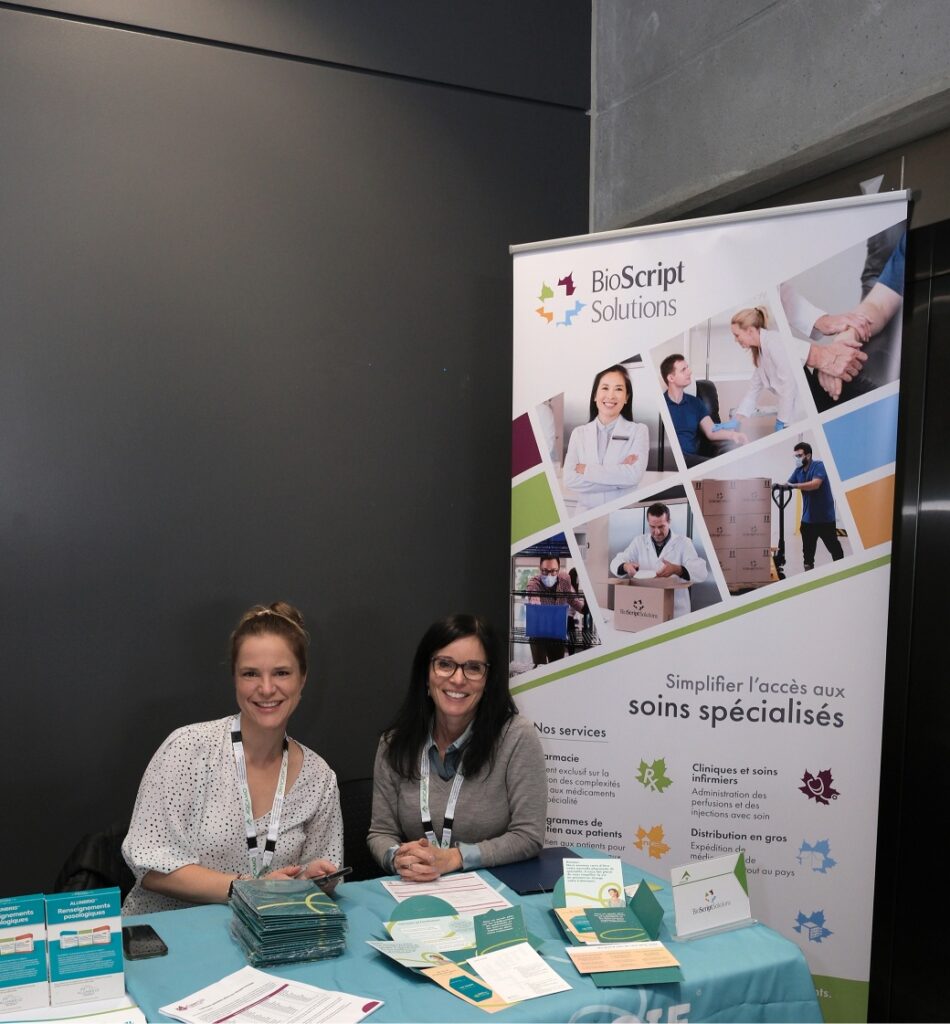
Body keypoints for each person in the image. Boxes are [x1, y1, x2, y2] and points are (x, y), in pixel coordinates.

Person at [121, 602, 343, 914]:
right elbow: (151, 867)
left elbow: (312, 879)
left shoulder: (319, 778)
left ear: (302, 679)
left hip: (262, 933)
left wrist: (309, 880)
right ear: (235, 679)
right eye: (251, 674)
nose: (266, 688)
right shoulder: (187, 749)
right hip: (167, 933)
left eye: (281, 673)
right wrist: (250, 887)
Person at [368, 614, 546, 881]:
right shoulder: (394, 744)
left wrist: (455, 858)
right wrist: (398, 858)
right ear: (426, 674)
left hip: (493, 893)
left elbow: (528, 835)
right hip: (417, 889)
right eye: (445, 664)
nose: (458, 679)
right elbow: (380, 833)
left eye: (473, 668)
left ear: (488, 679)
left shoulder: (517, 738)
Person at [563, 364, 649, 510]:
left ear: (626, 397)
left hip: (622, 514)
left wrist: (587, 470)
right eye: (605, 388)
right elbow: (570, 480)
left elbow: (634, 476)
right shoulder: (578, 433)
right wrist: (620, 478)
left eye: (618, 389)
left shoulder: (639, 431)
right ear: (595, 395)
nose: (611, 396)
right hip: (586, 514)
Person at [609, 502, 708, 618]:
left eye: (661, 527)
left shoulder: (683, 543)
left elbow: (701, 572)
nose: (657, 532)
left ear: (669, 522)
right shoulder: (639, 542)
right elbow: (616, 561)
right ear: (648, 523)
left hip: (676, 611)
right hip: (646, 610)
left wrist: (677, 569)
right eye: (652, 527)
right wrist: (625, 566)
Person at [660, 354, 748, 468]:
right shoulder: (660, 406)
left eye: (687, 367)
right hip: (670, 461)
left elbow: (711, 431)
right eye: (683, 370)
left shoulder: (695, 403)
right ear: (671, 378)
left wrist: (734, 435)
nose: (689, 372)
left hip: (692, 460)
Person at [730, 307, 806, 431]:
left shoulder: (773, 342)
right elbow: (753, 391)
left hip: (805, 400)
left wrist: (781, 420)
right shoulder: (760, 354)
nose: (735, 340)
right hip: (791, 407)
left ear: (750, 331)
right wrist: (736, 420)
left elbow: (788, 384)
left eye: (737, 335)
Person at [787, 442, 843, 570]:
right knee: (807, 555)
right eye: (795, 456)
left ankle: (842, 571)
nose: (797, 459)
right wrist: (775, 486)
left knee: (834, 549)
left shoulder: (819, 466)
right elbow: (788, 484)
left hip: (825, 519)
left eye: (799, 456)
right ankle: (809, 574)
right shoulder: (798, 471)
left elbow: (815, 484)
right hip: (808, 520)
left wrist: (795, 486)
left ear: (808, 455)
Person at [524, 555, 585, 666]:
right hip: (538, 632)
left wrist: (585, 610)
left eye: (553, 571)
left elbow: (572, 599)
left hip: (557, 632)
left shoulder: (565, 579)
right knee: (540, 667)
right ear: (540, 569)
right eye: (545, 571)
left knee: (557, 666)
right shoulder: (535, 582)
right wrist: (534, 597)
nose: (549, 575)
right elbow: (532, 589)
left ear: (559, 569)